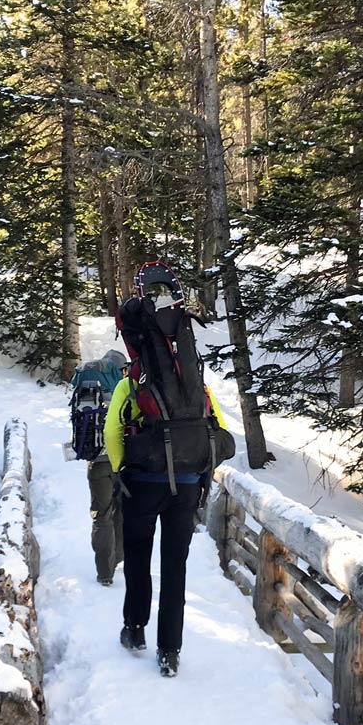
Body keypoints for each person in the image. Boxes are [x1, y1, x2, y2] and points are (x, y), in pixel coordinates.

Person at [103, 286, 230, 677]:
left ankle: (135, 628)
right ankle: (169, 651)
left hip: (143, 484)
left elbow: (111, 434)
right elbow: (219, 430)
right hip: (188, 486)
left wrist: (122, 471)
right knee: (176, 567)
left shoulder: (132, 383)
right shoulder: (197, 386)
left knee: (138, 559)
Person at [70, 350, 128, 586]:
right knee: (122, 511)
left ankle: (105, 571)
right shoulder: (123, 387)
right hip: (123, 461)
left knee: (101, 516)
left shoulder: (87, 386)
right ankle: (117, 557)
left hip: (96, 462)